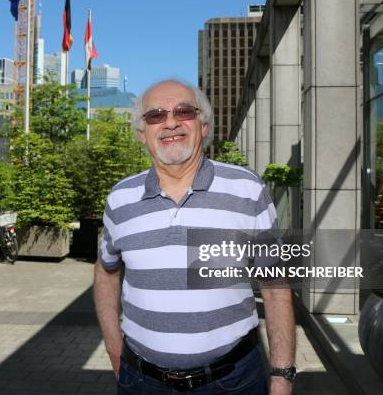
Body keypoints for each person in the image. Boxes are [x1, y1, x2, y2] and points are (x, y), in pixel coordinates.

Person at [94, 79, 296, 394]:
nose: (170, 122)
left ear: (203, 125)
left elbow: (275, 288)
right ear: (141, 134)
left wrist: (282, 376)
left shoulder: (247, 189)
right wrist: (113, 347)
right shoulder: (121, 198)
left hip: (234, 383)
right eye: (155, 115)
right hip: (142, 383)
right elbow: (106, 271)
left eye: (183, 111)